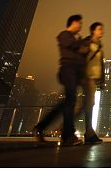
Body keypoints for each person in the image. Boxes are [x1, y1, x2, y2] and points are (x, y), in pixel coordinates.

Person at [34, 15, 89, 146]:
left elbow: (81, 53)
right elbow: (73, 46)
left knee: (66, 102)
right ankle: (67, 135)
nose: (81, 26)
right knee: (70, 101)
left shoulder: (75, 39)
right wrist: (83, 44)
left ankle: (41, 128)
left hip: (75, 73)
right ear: (74, 23)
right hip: (68, 70)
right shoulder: (64, 35)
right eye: (79, 23)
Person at [82, 22, 105, 144]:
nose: (102, 31)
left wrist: (102, 81)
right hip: (86, 77)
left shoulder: (99, 46)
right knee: (87, 105)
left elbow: (101, 65)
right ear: (93, 31)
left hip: (94, 79)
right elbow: (81, 57)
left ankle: (88, 133)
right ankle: (89, 133)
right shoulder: (87, 42)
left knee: (87, 105)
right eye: (99, 29)